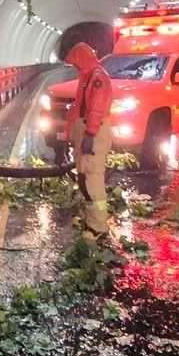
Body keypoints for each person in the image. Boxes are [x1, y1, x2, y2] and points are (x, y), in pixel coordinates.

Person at [63, 42, 114, 239]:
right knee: (84, 178)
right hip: (86, 132)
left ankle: (98, 227)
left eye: (77, 64)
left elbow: (96, 110)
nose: (76, 68)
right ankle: (90, 218)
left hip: (93, 133)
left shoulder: (97, 79)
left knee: (92, 179)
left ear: (83, 61)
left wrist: (90, 135)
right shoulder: (88, 77)